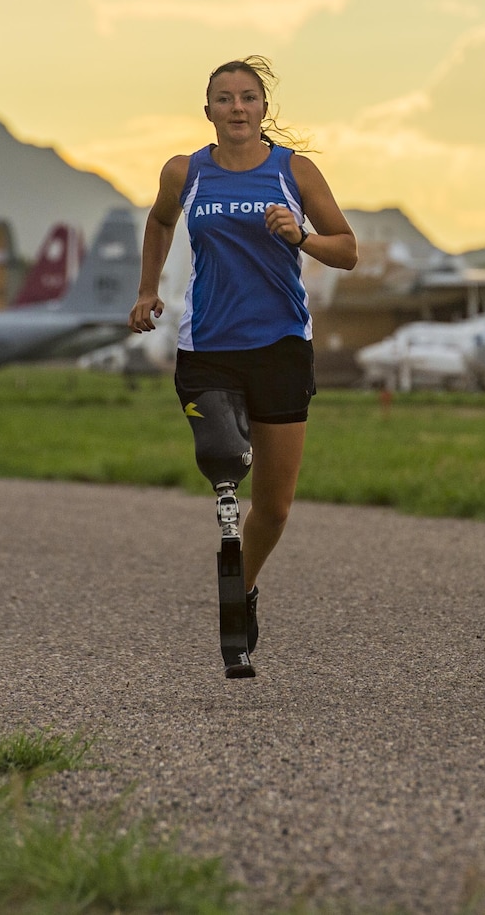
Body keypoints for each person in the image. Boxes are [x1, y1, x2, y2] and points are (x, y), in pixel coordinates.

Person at [128, 57, 357, 661]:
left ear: (262, 109)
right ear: (208, 111)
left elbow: (348, 251)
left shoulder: (294, 173)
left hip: (281, 347)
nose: (236, 108)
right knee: (224, 456)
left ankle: (242, 589)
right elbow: (158, 221)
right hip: (208, 349)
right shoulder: (187, 172)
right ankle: (227, 479)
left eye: (248, 98)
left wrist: (301, 236)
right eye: (224, 99)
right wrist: (148, 289)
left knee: (275, 508)